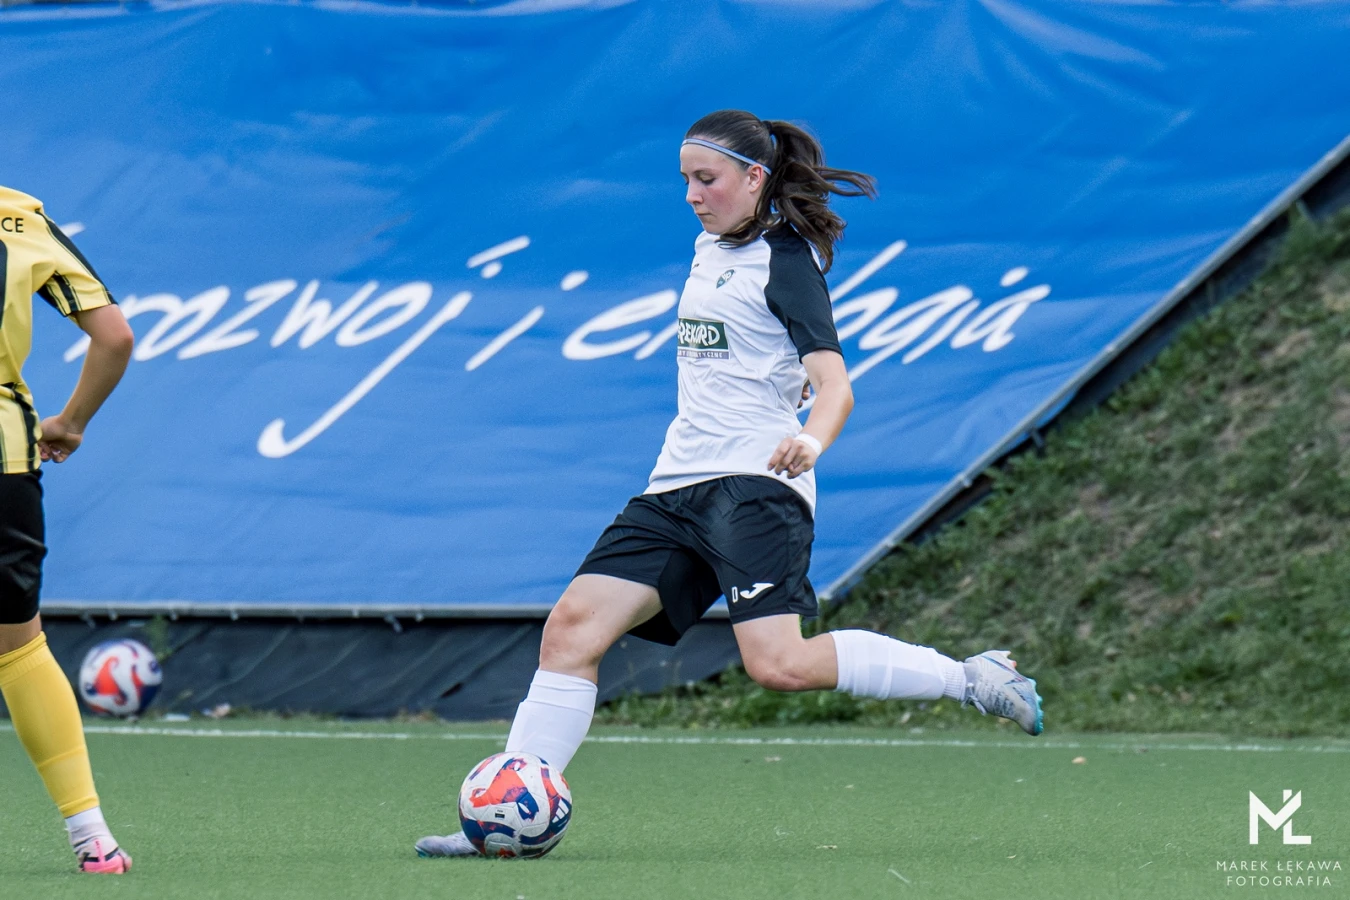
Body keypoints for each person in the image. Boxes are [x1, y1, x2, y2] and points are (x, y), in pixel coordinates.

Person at [416, 110, 1043, 858]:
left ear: (754, 178)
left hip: (754, 487)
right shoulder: (708, 248)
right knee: (571, 630)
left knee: (779, 665)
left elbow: (835, 387)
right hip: (675, 484)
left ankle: (970, 678)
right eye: (684, 179)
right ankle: (505, 816)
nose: (691, 194)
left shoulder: (788, 262)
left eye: (706, 179)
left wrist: (810, 440)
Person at [0, 185, 136, 873]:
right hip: (4, 454)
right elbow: (115, 337)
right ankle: (93, 839)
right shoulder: (16, 215)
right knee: (19, 647)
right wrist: (71, 422)